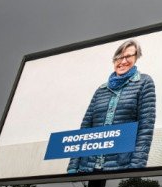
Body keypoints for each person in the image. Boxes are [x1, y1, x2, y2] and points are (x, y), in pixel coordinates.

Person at [67, 39, 156, 173]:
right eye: (119, 57)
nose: (123, 61)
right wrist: (73, 166)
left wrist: (136, 168)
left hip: (120, 168)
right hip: (87, 169)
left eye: (128, 56)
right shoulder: (100, 90)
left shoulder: (144, 82)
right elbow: (85, 129)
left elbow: (145, 129)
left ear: (136, 57)